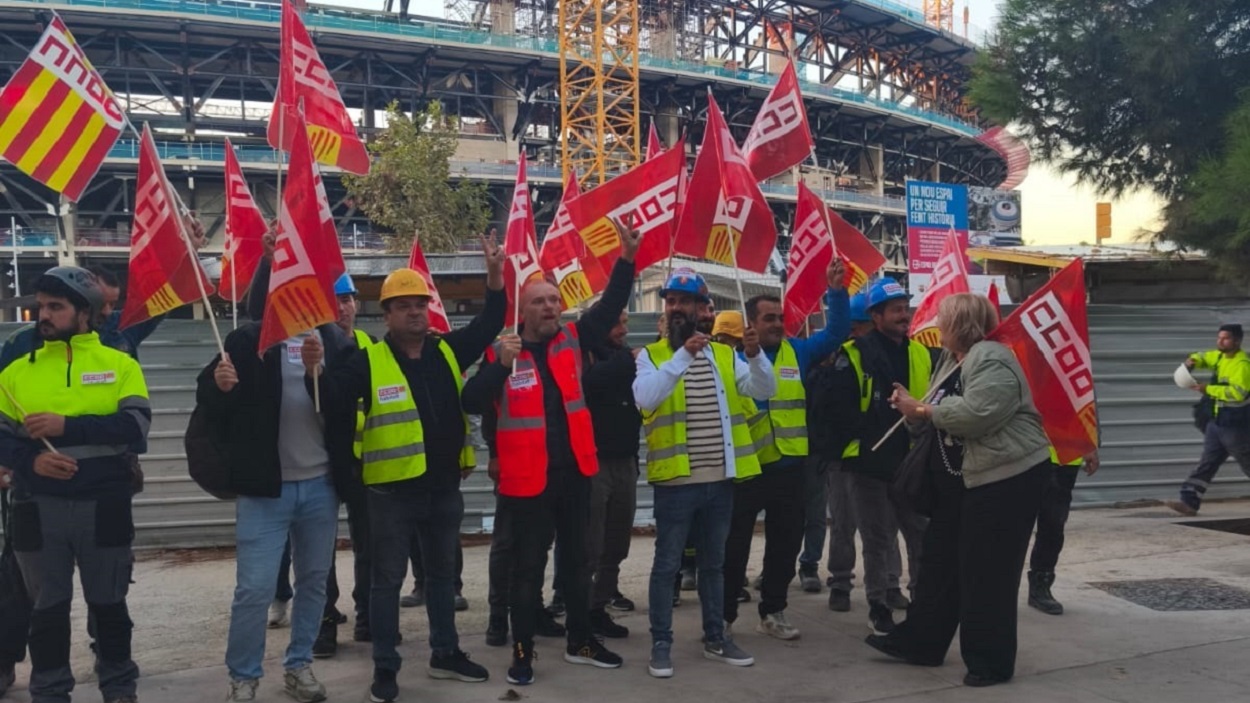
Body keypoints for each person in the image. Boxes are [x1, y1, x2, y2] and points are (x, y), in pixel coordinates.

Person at [301, 236, 505, 703]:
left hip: (442, 490)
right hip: (390, 496)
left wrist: (493, 276)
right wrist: (314, 370)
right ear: (386, 314)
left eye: (420, 304)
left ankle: (445, 654)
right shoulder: (366, 360)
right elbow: (330, 401)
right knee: (386, 582)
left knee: (439, 579)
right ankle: (386, 669)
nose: (414, 312)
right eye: (403, 306)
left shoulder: (448, 352)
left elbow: (492, 321)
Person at [461, 218, 639, 686]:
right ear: (523, 311)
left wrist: (626, 259)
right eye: (539, 301)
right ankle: (522, 652)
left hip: (576, 474)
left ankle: (580, 640)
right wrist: (499, 366)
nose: (550, 307)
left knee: (579, 564)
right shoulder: (505, 351)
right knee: (527, 571)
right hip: (526, 484)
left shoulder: (573, 340)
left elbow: (611, 306)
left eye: (555, 300)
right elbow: (471, 401)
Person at [868, 292, 1052, 688]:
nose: (936, 326)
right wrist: (913, 410)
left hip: (1004, 480)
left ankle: (990, 661)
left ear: (960, 325)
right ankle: (921, 641)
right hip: (963, 481)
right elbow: (934, 418)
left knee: (988, 573)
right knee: (940, 563)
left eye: (942, 320)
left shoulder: (992, 357)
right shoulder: (952, 361)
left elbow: (977, 416)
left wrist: (923, 410)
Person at [198, 275, 357, 702]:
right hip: (264, 491)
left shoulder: (335, 343)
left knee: (314, 582)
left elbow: (348, 403)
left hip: (321, 486)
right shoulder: (248, 340)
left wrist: (315, 371)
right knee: (253, 588)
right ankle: (244, 676)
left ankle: (299, 666)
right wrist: (220, 386)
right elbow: (209, 399)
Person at [0, 266, 152, 703]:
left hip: (104, 506)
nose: (42, 314)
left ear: (83, 313)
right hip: (36, 509)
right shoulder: (15, 373)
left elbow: (135, 426)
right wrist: (32, 461)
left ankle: (119, 686)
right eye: (41, 305)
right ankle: (49, 691)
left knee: (109, 607)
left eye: (55, 307)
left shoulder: (119, 364)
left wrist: (67, 427)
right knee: (45, 613)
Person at [633, 270, 776, 679]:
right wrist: (683, 356)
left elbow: (763, 390)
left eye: (685, 301)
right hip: (676, 484)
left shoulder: (725, 356)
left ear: (702, 309)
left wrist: (754, 355)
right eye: (670, 301)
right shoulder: (652, 356)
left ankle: (717, 637)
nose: (676, 308)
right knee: (666, 567)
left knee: (714, 565)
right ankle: (661, 643)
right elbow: (646, 397)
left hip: (720, 481)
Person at [722, 261, 850, 641]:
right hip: (747, 468)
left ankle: (773, 610)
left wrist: (836, 291)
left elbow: (838, 332)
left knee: (785, 544)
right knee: (734, 547)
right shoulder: (730, 358)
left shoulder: (798, 350)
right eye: (768, 319)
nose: (777, 324)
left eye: (779, 317)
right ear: (752, 324)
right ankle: (724, 615)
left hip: (791, 467)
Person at [834, 277, 933, 635]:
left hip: (912, 461)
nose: (903, 315)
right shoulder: (854, 353)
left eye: (905, 308)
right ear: (876, 316)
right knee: (876, 541)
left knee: (921, 537)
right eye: (895, 310)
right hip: (869, 462)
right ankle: (878, 608)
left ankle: (923, 603)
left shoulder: (920, 352)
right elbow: (839, 409)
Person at [802, 291, 904, 611]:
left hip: (886, 453)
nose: (856, 333)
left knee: (885, 525)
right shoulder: (843, 358)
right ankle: (841, 582)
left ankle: (890, 582)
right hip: (846, 457)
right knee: (844, 522)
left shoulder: (896, 353)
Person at [582, 311, 640, 639]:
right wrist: (628, 362)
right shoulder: (584, 353)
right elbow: (590, 382)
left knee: (616, 544)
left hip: (625, 461)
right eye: (616, 322)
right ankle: (579, 610)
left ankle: (598, 606)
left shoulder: (624, 356)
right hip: (595, 464)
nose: (624, 330)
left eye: (626, 323)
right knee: (590, 545)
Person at [1167, 324, 1250, 516]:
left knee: (1247, 462)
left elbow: (1238, 393)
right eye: (1219, 337)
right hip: (1217, 423)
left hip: (1235, 425)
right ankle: (1189, 502)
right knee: (1207, 463)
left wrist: (1208, 390)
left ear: (1237, 341)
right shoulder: (1221, 356)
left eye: (1226, 338)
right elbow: (1205, 356)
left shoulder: (1242, 365)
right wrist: (1192, 361)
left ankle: (1189, 501)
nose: (1220, 341)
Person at [1027, 449, 1100, 615]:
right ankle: (999, 587)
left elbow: (1085, 421)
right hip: (1023, 451)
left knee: (1054, 523)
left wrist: (1090, 446)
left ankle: (1042, 583)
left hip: (1064, 455)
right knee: (1013, 524)